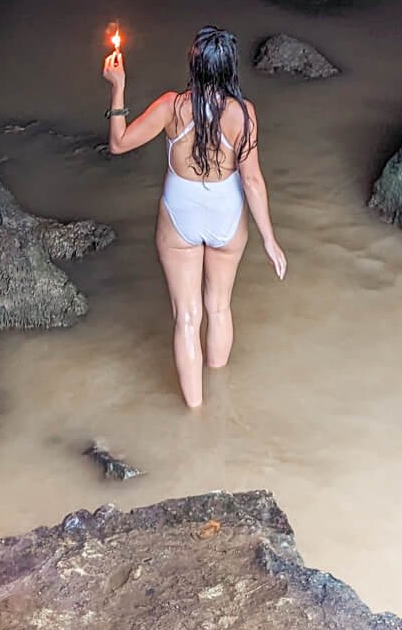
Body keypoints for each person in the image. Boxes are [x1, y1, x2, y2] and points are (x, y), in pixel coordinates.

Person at [103, 26, 287, 408]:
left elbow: (119, 144)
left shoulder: (172, 106)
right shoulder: (244, 114)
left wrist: (117, 85)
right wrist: (270, 239)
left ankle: (196, 413)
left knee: (187, 318)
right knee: (218, 306)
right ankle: (219, 400)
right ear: (230, 69)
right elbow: (252, 180)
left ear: (194, 64)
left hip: (180, 212)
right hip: (227, 212)